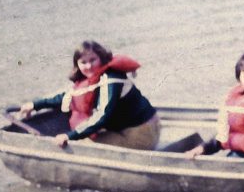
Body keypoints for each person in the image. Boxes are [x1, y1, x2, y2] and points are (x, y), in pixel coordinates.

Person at [19, 40, 160, 150]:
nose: (88, 66)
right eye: (83, 62)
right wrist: (34, 105)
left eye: (93, 60)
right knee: (85, 135)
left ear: (102, 58)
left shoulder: (111, 79)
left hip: (143, 134)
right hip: (135, 128)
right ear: (77, 64)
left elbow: (102, 116)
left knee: (82, 143)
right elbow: (69, 96)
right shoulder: (92, 79)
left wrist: (70, 136)